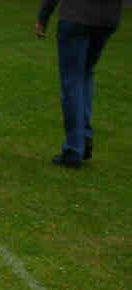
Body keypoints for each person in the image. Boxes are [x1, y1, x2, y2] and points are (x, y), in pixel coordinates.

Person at [36, 0, 123, 168]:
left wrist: (43, 17)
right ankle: (83, 138)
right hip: (107, 20)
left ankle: (74, 149)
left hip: (76, 17)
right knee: (85, 74)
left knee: (73, 80)